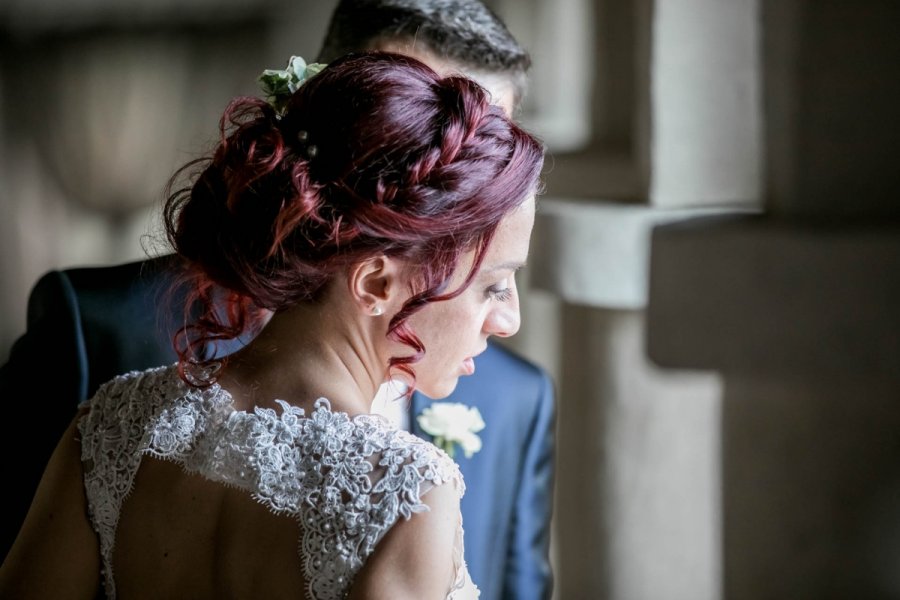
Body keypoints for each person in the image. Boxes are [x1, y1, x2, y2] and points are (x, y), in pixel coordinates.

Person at [0, 2, 557, 598]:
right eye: (493, 284)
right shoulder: (407, 489)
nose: (510, 318)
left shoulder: (107, 425)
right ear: (374, 284)